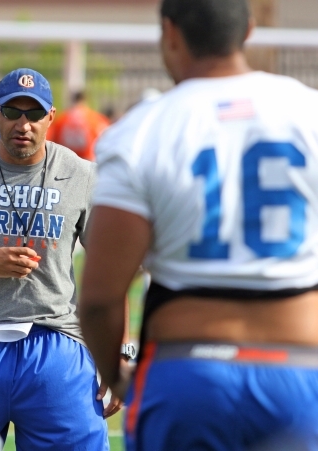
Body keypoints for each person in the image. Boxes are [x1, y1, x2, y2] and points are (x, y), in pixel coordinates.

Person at [80, 0, 318, 450]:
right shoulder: (309, 111)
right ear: (248, 30)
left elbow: (99, 298)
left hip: (188, 372)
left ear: (170, 32)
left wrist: (116, 377)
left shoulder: (140, 131)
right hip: (300, 367)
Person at [0, 68, 130, 451]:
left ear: (51, 117)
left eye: (34, 114)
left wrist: (118, 354)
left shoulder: (81, 175)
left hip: (56, 347)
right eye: (13, 111)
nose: (23, 124)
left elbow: (112, 270)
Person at [46, 91, 110, 161]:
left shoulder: (62, 119)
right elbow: (106, 138)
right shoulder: (94, 118)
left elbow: (51, 139)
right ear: (85, 100)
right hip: (88, 159)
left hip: (67, 159)